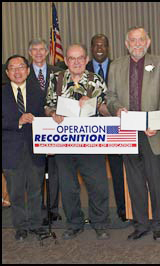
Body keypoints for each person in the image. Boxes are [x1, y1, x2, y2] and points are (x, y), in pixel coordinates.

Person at [106, 27, 160, 241]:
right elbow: (110, 96)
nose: (137, 43)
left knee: (155, 182)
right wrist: (116, 109)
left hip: (152, 133)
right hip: (127, 132)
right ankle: (141, 224)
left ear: (148, 41)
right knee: (134, 182)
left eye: (141, 39)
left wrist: (155, 123)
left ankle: (159, 225)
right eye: (132, 40)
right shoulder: (116, 66)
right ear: (126, 44)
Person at [44, 44, 111, 240]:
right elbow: (47, 105)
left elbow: (106, 108)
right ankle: (74, 223)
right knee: (68, 186)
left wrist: (94, 103)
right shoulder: (56, 79)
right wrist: (52, 113)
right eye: (72, 58)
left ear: (86, 59)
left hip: (91, 141)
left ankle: (100, 223)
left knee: (97, 185)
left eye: (80, 58)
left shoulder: (95, 80)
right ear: (65, 60)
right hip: (64, 141)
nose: (76, 62)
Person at [2, 55, 47, 241]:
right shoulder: (2, 93)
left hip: (35, 149)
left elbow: (46, 119)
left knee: (36, 190)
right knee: (16, 192)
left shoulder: (39, 92)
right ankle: (20, 227)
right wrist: (17, 121)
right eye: (12, 68)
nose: (17, 71)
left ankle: (36, 224)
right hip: (10, 151)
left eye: (21, 67)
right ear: (7, 73)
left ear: (28, 71)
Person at [86, 33, 127, 224]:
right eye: (96, 45)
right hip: (90, 130)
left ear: (108, 48)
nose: (99, 49)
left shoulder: (119, 67)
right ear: (91, 48)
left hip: (113, 127)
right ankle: (97, 215)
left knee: (118, 172)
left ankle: (122, 209)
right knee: (93, 174)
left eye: (103, 45)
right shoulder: (81, 68)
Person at [27, 38, 63, 225]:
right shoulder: (23, 73)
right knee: (37, 171)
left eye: (42, 49)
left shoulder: (58, 73)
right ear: (30, 52)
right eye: (35, 50)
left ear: (48, 52)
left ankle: (53, 209)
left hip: (54, 126)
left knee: (55, 170)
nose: (39, 53)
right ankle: (40, 210)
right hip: (32, 129)